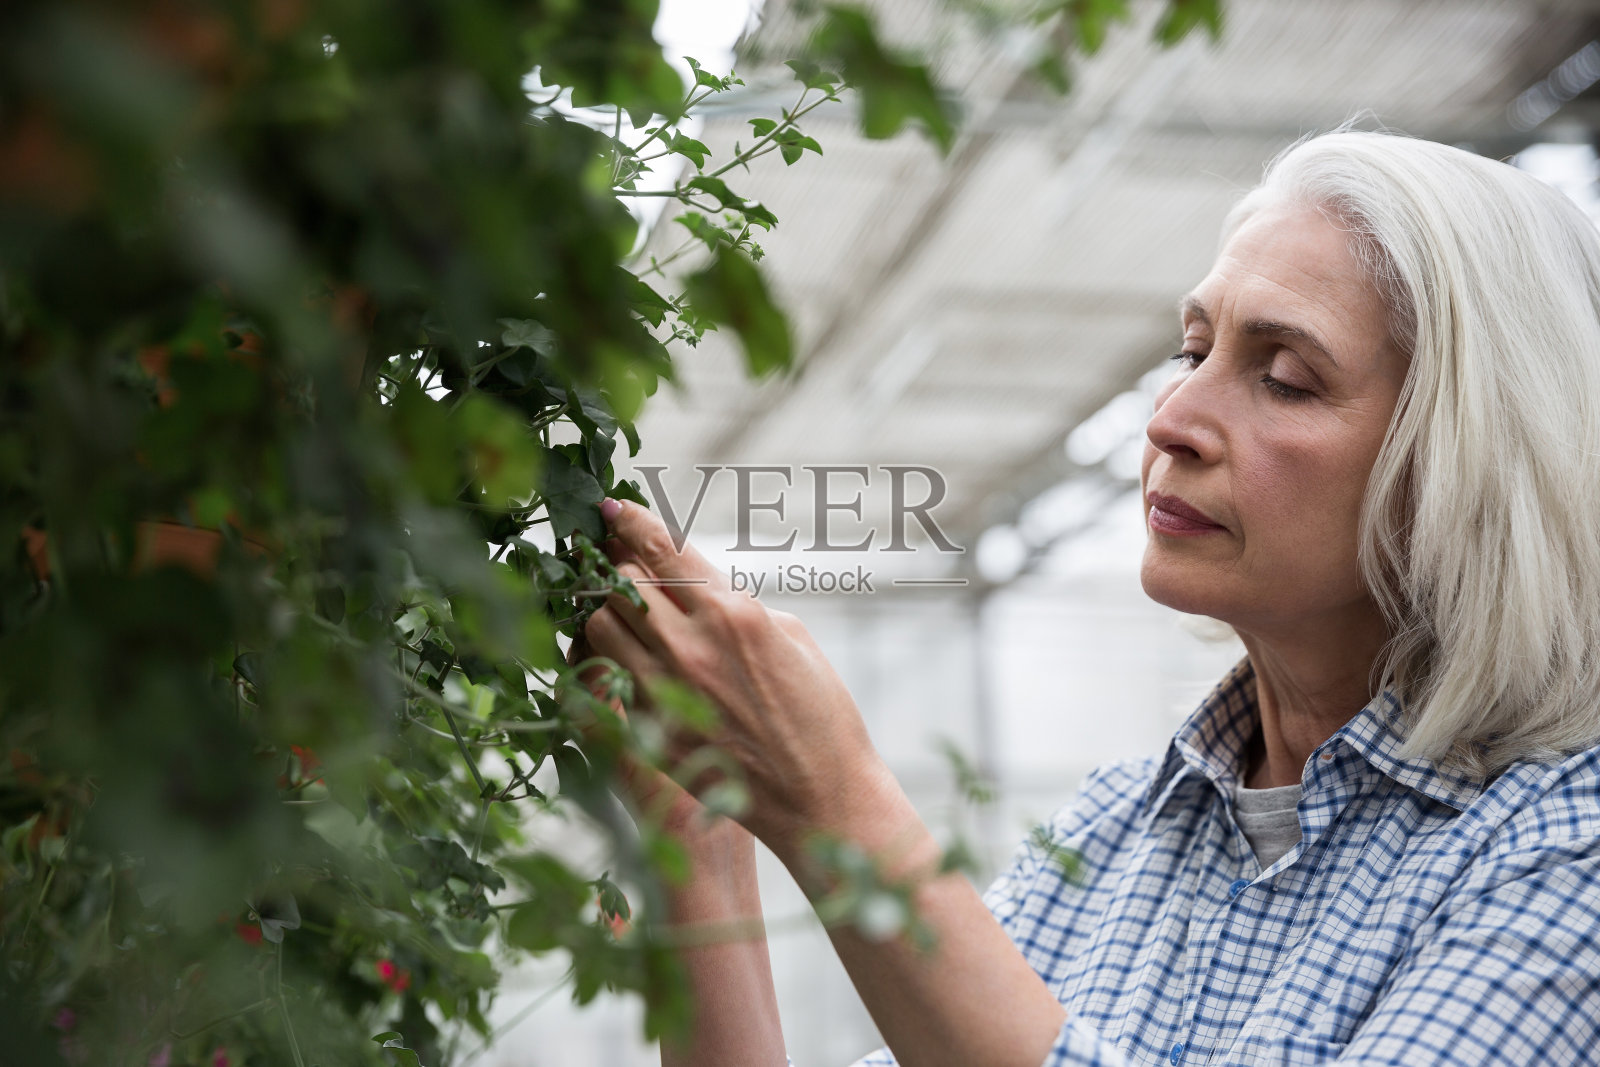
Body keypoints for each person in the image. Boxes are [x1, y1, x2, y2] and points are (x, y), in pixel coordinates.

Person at [571, 129, 1600, 1066]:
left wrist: (841, 802)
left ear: (1475, 457)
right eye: (1191, 352)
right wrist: (696, 848)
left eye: (1282, 375)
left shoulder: (1561, 851)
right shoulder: (1124, 831)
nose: (1173, 417)